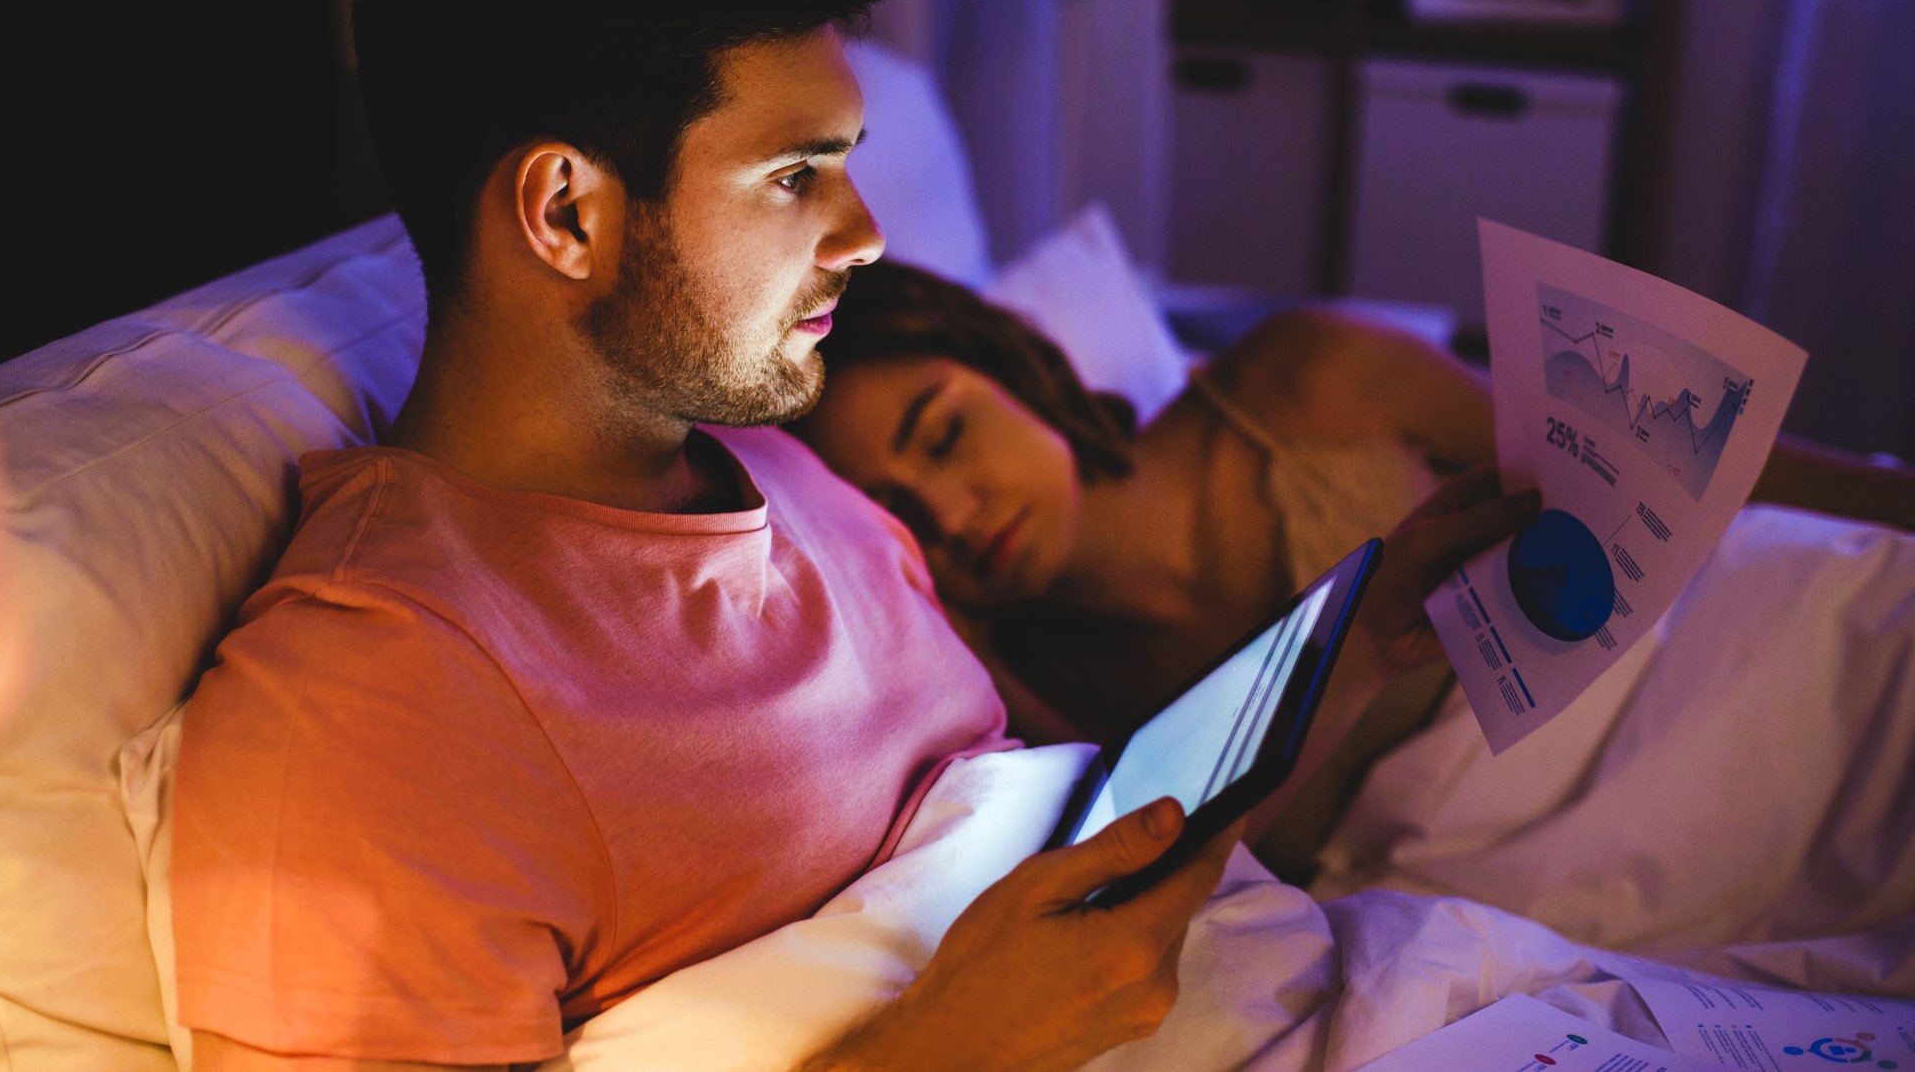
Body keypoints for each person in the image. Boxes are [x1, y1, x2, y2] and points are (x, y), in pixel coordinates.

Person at [171, 0, 1532, 1071]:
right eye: (794, 175)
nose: (866, 231)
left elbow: (1108, 834)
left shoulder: (797, 482)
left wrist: (1342, 666)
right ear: (567, 215)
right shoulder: (376, 718)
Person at [796, 258, 1915, 873]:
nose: (949, 512)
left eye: (942, 434)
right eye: (894, 515)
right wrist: (973, 648)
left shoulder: (1300, 380)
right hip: (1563, 824)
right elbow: (1181, 867)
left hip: (1702, 639)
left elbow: (1664, 464)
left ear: (1011, 366)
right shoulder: (1025, 690)